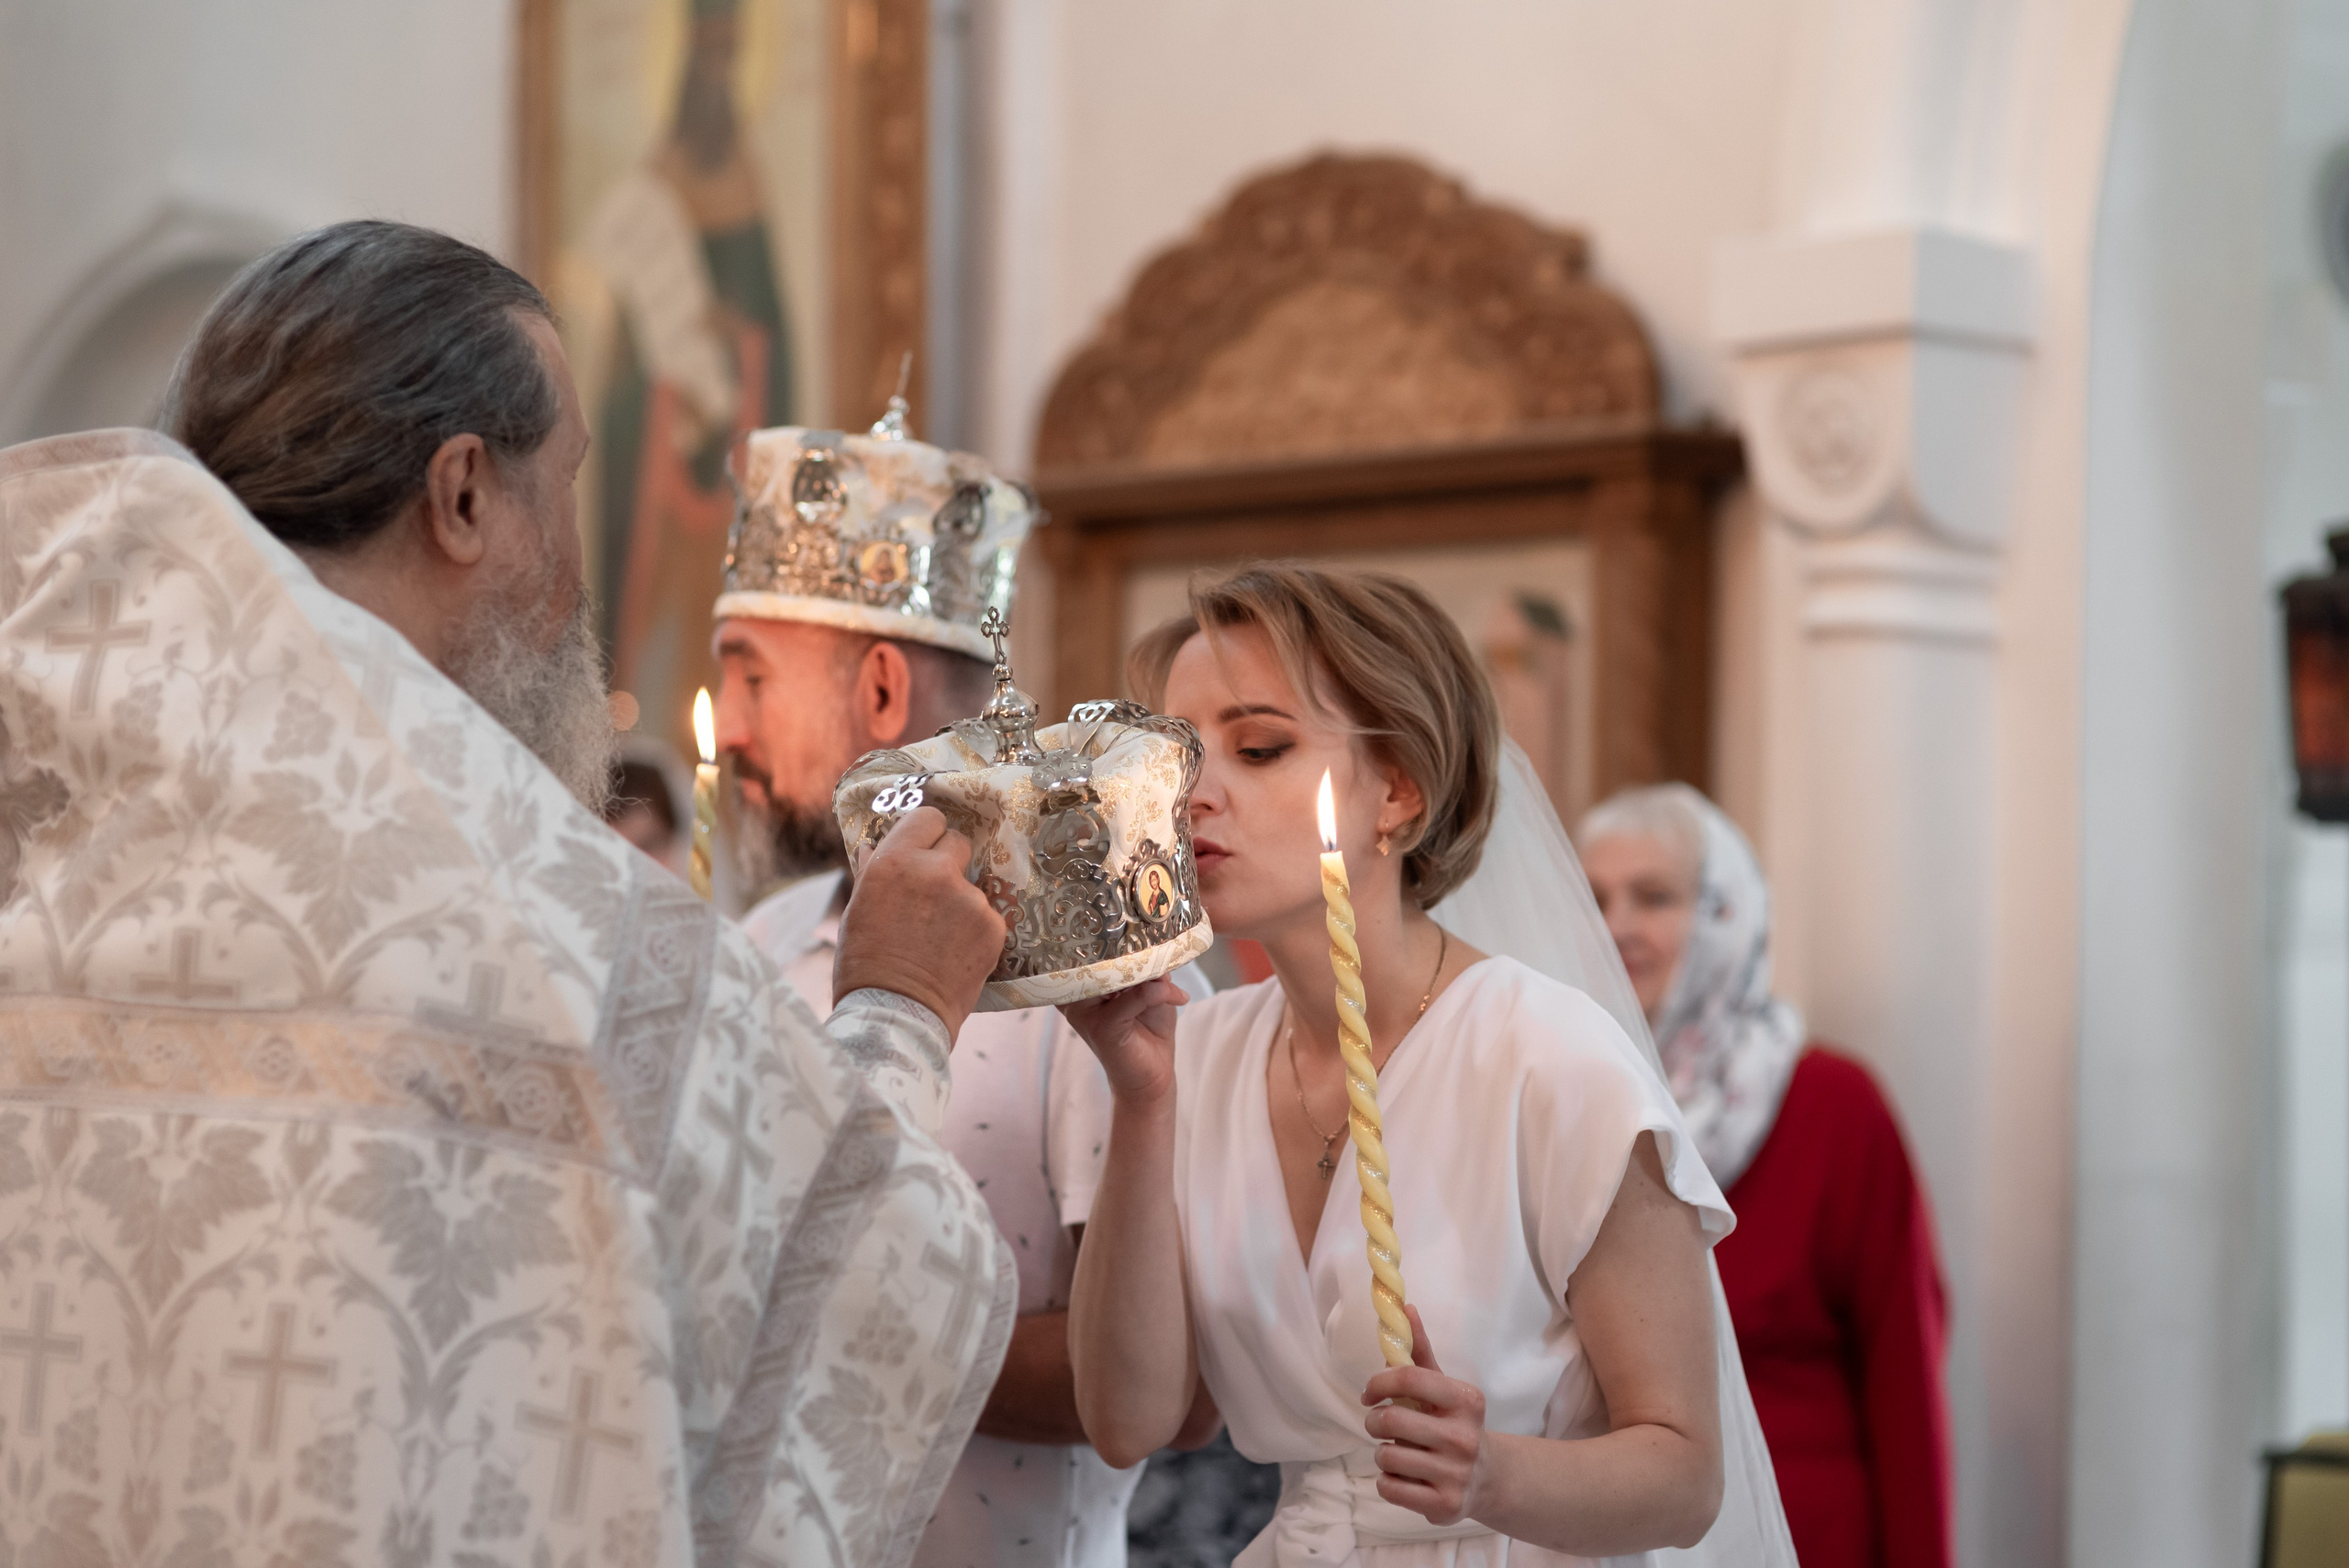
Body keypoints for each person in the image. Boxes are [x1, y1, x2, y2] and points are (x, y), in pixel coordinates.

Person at [0, 220, 1013, 1567]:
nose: (579, 581)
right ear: (464, 493)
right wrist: (894, 1007)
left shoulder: (49, 805)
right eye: (569, 487)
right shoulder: (560, 930)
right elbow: (869, 1285)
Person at [1060, 563, 1796, 1567]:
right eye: (1178, 756)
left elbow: (1684, 1477)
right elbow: (1132, 1420)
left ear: (1396, 791)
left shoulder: (1549, 1056)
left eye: (1259, 746)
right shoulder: (1201, 1054)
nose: (1195, 795)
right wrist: (1140, 1101)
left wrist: (1490, 1471)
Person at [711, 431, 1214, 1568]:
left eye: (748, 672)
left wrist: (801, 1324)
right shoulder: (761, 939)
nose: (727, 725)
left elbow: (1166, 1396)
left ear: (880, 685)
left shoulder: (1098, 952)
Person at [1577, 785, 1953, 1568]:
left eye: (1653, 896)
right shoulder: (1564, 1099)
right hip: (1615, 1534)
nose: (1617, 927)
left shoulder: (1833, 1103)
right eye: (1595, 897)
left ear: (1727, 914)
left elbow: (1904, 1376)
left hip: (1798, 1533)